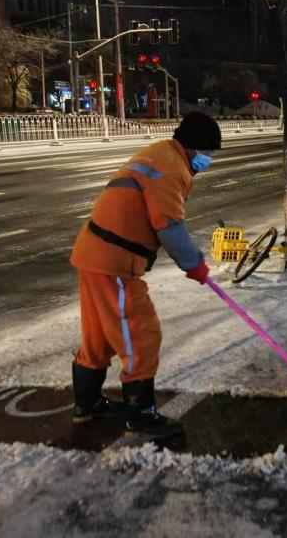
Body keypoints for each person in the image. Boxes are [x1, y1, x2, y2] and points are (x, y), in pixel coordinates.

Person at [69, 112, 220, 438]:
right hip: (115, 261)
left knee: (98, 336)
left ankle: (88, 404)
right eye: (208, 153)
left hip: (94, 254)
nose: (208, 160)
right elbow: (167, 224)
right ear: (194, 147)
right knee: (141, 333)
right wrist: (194, 264)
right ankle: (141, 415)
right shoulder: (171, 168)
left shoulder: (162, 153)